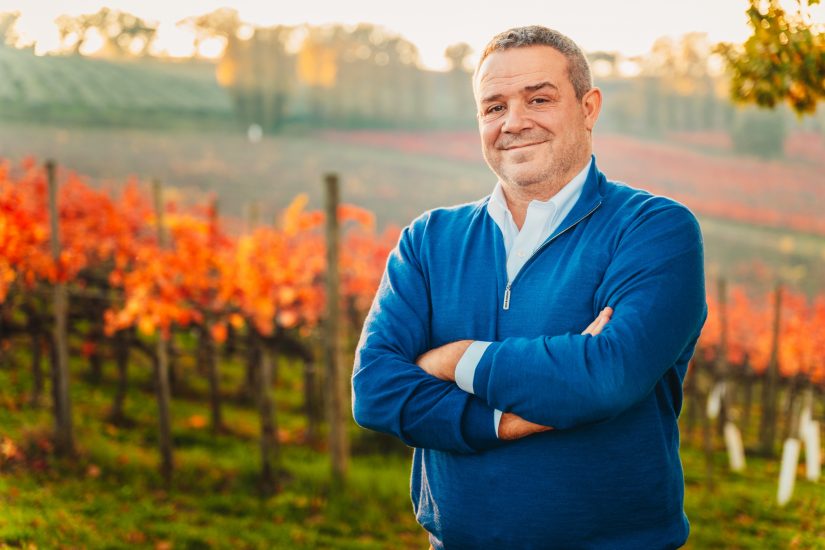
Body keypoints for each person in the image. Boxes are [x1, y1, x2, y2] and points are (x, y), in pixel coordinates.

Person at [352, 25, 707, 549]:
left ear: (588, 108)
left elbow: (606, 377)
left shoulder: (654, 230)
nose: (514, 122)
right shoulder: (429, 240)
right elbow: (376, 391)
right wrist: (501, 422)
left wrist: (454, 361)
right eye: (493, 107)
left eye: (538, 98)